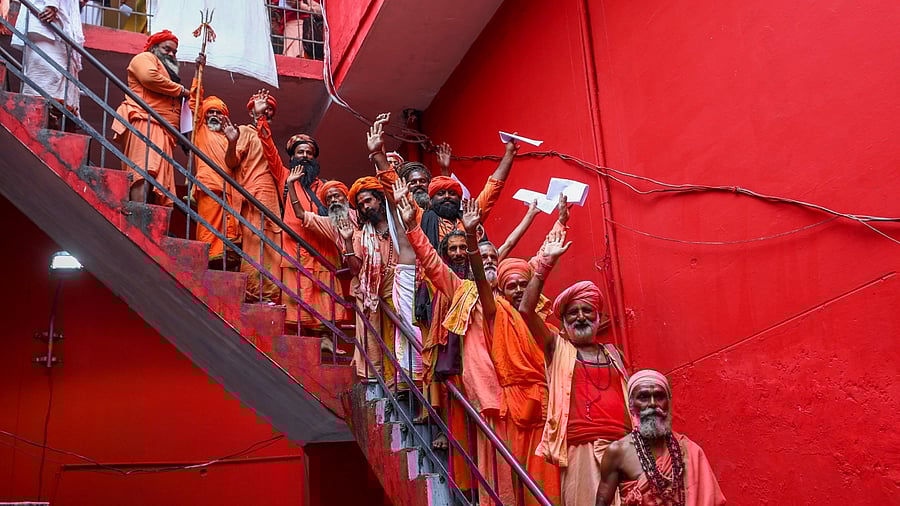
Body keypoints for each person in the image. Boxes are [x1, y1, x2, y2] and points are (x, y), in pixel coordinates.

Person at [397, 195, 514, 505]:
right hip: (480, 388)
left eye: (492, 258)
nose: (484, 261)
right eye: (480, 257)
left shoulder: (513, 292)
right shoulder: (461, 290)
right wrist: (412, 226)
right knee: (482, 450)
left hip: (517, 391)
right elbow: (431, 262)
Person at [461, 199, 562, 506]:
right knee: (515, 475)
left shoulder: (541, 321)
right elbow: (480, 278)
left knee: (549, 479)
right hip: (514, 406)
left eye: (523, 285)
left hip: (546, 401)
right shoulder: (495, 312)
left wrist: (561, 222)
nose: (518, 290)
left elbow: (541, 265)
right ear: (502, 291)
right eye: (512, 286)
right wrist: (470, 240)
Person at [520, 232, 631, 506]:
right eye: (573, 313)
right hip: (581, 449)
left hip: (625, 446)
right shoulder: (557, 348)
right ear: (565, 322)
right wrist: (545, 264)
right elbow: (525, 309)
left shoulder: (614, 354)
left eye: (587, 311)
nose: (581, 316)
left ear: (598, 317)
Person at [257, 119, 344, 336]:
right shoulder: (285, 177)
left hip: (322, 248)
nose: (305, 156)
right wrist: (261, 120)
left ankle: (324, 337)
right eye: (300, 152)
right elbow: (269, 151)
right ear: (292, 157)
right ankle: (303, 337)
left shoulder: (324, 186)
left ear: (314, 158)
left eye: (309, 153)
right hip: (294, 247)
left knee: (324, 293)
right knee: (298, 293)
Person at [596, 370, 726, 506]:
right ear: (631, 405)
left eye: (659, 396)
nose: (652, 404)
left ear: (668, 403)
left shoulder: (689, 451)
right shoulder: (617, 452)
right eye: (643, 397)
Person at [113, 30, 191, 206]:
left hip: (162, 130)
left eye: (174, 52)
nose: (171, 54)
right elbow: (149, 77)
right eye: (166, 49)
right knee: (143, 171)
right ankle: (139, 214)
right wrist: (180, 90)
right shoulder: (144, 58)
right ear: (154, 48)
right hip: (144, 121)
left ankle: (148, 215)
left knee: (156, 177)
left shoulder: (169, 73)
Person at [284, 167, 352, 354]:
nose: (333, 201)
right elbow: (300, 213)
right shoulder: (328, 222)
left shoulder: (360, 217)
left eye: (337, 196)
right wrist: (290, 184)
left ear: (346, 198)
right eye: (329, 199)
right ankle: (324, 340)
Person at [224, 91, 282, 303]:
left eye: (268, 110)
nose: (265, 112)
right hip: (254, 196)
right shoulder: (245, 132)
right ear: (252, 112)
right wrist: (231, 142)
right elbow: (231, 162)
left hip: (271, 201)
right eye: (261, 108)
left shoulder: (266, 136)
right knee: (255, 245)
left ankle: (270, 296)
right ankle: (253, 295)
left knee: (272, 250)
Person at [339, 176, 398, 383]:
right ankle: (379, 381)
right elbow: (355, 269)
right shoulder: (360, 235)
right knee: (373, 339)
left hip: (399, 291)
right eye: (361, 204)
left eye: (368, 201)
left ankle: (401, 379)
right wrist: (347, 241)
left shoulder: (398, 228)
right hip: (372, 296)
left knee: (399, 338)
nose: (365, 207)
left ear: (380, 200)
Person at [187, 70, 242, 270]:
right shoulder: (200, 129)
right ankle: (206, 261)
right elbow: (194, 103)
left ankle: (224, 263)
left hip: (229, 191)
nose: (214, 115)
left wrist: (233, 141)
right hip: (208, 186)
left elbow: (233, 163)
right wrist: (197, 72)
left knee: (228, 232)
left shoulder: (229, 136)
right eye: (210, 112)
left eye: (218, 112)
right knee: (208, 229)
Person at [13, 0, 85, 129]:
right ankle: (38, 117)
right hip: (47, 23)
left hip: (54, 24)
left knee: (56, 74)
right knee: (48, 72)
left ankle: (47, 117)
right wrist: (52, 5)